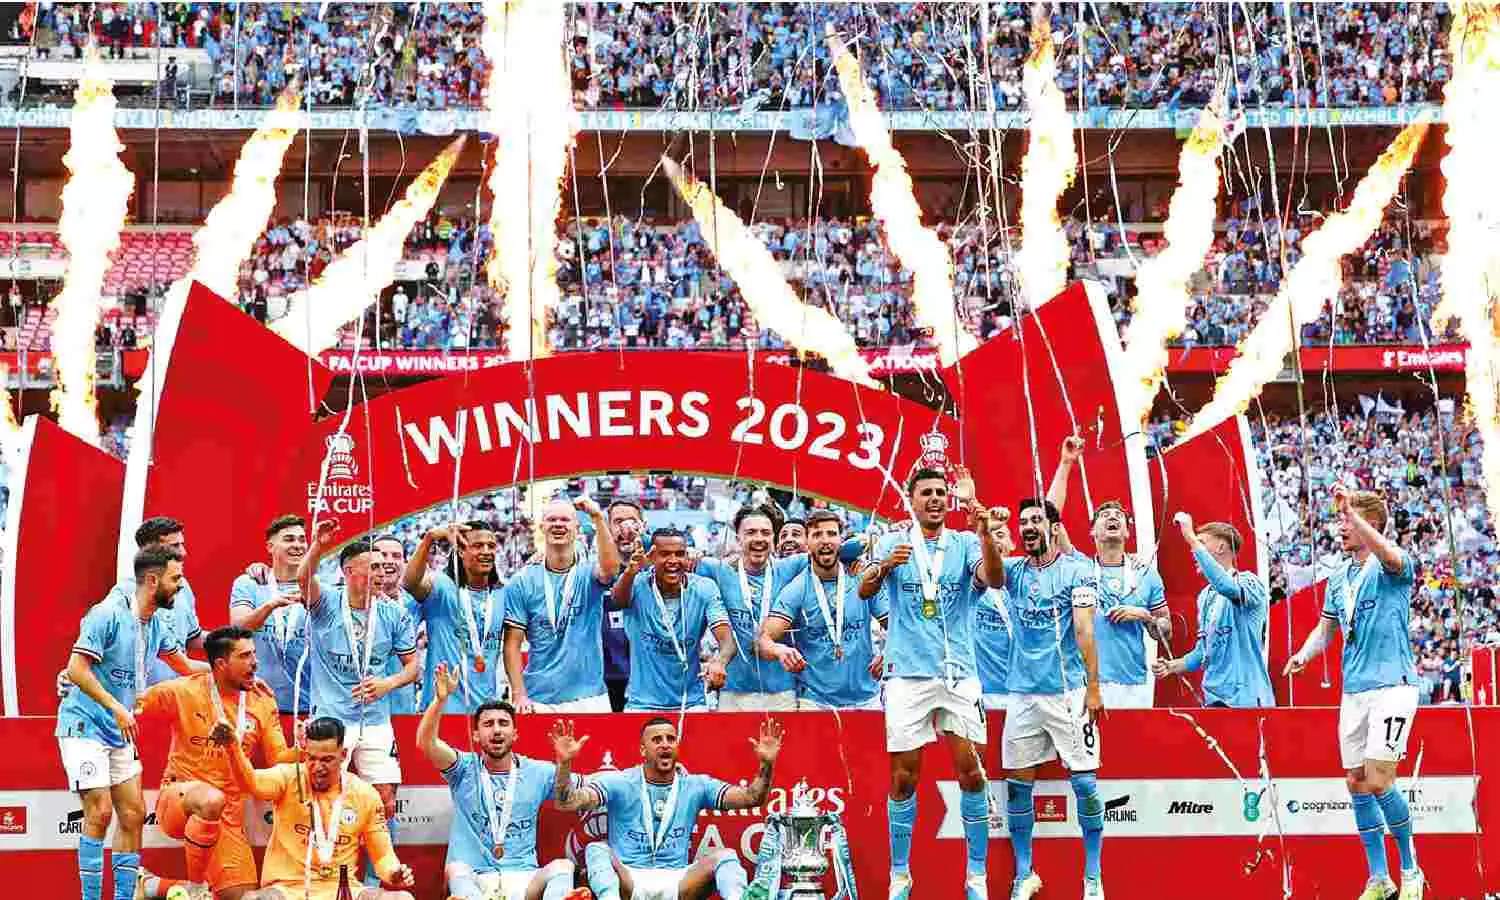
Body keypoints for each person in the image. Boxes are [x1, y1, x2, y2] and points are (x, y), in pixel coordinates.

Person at [857, 466, 1005, 900]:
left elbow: (995, 579)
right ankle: (900, 876)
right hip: (906, 674)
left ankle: (976, 878)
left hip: (959, 675)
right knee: (904, 778)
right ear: (912, 499)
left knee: (972, 773)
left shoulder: (965, 543)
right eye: (926, 492)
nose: (935, 498)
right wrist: (885, 566)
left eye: (941, 492)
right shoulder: (893, 542)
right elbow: (864, 591)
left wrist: (985, 534)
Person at [1285, 486, 1424, 900]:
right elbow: (1326, 628)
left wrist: (1356, 514)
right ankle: (1379, 878)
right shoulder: (1338, 579)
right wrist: (1304, 654)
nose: (1341, 527)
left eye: (1347, 520)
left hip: (1393, 686)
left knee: (1380, 778)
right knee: (1357, 781)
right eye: (1341, 520)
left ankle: (1411, 869)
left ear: (1371, 524)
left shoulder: (1394, 565)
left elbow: (1390, 555)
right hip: (1354, 691)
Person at [56, 547, 201, 900]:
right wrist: (116, 707)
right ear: (152, 580)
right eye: (175, 578)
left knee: (134, 814)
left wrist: (230, 672)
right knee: (100, 811)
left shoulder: (157, 623)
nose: (181, 586)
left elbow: (184, 666)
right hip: (84, 725)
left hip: (118, 731)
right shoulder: (107, 614)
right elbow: (76, 669)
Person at [135, 626, 298, 900]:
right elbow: (129, 702)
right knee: (210, 799)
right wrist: (74, 683)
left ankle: (154, 886)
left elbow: (279, 759)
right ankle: (196, 887)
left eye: (254, 654)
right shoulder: (184, 690)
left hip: (229, 813)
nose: (255, 662)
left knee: (245, 898)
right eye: (245, 656)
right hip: (180, 798)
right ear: (221, 664)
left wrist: (303, 749)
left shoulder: (262, 701)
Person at [299, 528, 420, 888]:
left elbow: (413, 667)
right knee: (321, 797)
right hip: (330, 719)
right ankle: (321, 878)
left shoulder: (394, 613)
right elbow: (304, 578)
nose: (382, 573)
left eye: (384, 567)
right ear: (349, 571)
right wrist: (318, 546)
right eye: (373, 567)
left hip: (376, 721)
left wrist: (387, 684)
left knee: (384, 801)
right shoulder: (326, 604)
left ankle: (377, 883)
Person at [550, 716, 783, 900]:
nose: (665, 744)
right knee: (596, 849)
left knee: (726, 856)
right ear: (643, 750)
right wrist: (565, 764)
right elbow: (566, 802)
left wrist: (767, 764)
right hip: (628, 877)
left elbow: (752, 797)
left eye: (671, 739)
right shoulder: (620, 781)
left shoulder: (696, 785)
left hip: (679, 881)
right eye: (657, 740)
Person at [999, 498, 1105, 900]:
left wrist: (1093, 688)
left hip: (1068, 694)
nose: (1028, 526)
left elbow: (1084, 630)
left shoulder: (1078, 570)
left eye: (1037, 520)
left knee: (1085, 784)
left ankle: (1092, 877)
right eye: (1023, 521)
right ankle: (1024, 874)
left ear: (1054, 527)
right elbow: (987, 568)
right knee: (1018, 787)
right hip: (1023, 695)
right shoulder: (1013, 571)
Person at [415, 664, 590, 900]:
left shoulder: (538, 772)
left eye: (503, 723)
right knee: (457, 869)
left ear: (515, 734)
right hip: (475, 879)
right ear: (476, 735)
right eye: (488, 724)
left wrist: (565, 764)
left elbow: (569, 798)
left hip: (524, 878)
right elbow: (426, 743)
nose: (497, 730)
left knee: (563, 866)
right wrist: (440, 700)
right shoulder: (463, 768)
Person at [224, 716, 417, 900]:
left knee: (403, 898)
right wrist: (233, 748)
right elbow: (251, 783)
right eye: (311, 758)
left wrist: (394, 873)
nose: (317, 767)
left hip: (343, 889)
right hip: (288, 889)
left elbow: (382, 855)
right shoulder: (289, 778)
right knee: (253, 899)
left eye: (326, 760)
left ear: (343, 755)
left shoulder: (365, 795)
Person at [503, 496, 621, 712]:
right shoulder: (521, 581)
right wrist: (519, 695)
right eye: (552, 519)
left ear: (577, 527)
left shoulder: (589, 575)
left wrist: (597, 516)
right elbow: (512, 644)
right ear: (542, 527)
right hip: (539, 699)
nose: (558, 524)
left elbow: (611, 569)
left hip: (590, 698)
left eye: (565, 520)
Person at [758, 510, 881, 710]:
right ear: (807, 543)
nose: (825, 541)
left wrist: (889, 651)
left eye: (831, 534)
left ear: (841, 540)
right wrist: (779, 650)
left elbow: (895, 622)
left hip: (867, 699)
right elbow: (762, 640)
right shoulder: (797, 589)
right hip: (815, 702)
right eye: (817, 535)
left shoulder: (861, 577)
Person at [1152, 515, 1275, 708]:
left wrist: (1190, 537)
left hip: (1247, 700)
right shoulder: (1205, 596)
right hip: (1214, 700)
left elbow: (1226, 586)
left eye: (1201, 542)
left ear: (1221, 547)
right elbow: (1204, 651)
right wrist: (1172, 666)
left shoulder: (1250, 583)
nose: (1193, 551)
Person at [610, 528, 734, 712]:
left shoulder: (704, 588)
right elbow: (617, 600)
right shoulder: (636, 584)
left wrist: (720, 661)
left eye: (679, 554)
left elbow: (727, 639)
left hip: (692, 702)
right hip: (642, 703)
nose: (673, 560)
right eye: (665, 554)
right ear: (652, 557)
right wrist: (630, 572)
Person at [695, 506, 804, 711]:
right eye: (751, 532)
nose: (759, 538)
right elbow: (664, 553)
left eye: (765, 533)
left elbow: (835, 551)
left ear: (773, 538)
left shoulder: (790, 568)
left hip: (781, 690)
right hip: (733, 689)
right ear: (739, 539)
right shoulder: (716, 570)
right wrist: (692, 554)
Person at [1072, 502, 1170, 709]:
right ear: (1092, 531)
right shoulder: (1078, 571)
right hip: (1083, 681)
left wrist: (1145, 616)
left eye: (1118, 515)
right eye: (1105, 515)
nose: (1112, 517)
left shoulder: (1146, 574)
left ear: (1127, 532)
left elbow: (1165, 631)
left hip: (1132, 682)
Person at [404, 520, 507, 713]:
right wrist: (429, 539)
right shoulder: (441, 587)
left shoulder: (503, 594)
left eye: (491, 546)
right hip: (442, 711)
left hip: (486, 711)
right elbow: (410, 583)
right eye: (477, 545)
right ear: (460, 551)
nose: (486, 551)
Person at [229, 515, 311, 715]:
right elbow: (238, 629)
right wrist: (270, 606)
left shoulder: (318, 589)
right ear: (270, 547)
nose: (298, 545)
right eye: (289, 539)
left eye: (302, 539)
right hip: (257, 705)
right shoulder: (249, 584)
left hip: (309, 706)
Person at [115, 517, 205, 686]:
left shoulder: (183, 586)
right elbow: (101, 642)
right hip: (139, 696)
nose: (183, 552)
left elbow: (192, 639)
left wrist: (233, 644)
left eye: (182, 544)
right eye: (174, 546)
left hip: (175, 694)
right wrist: (75, 673)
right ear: (150, 551)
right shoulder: (124, 594)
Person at [371, 533, 423, 716]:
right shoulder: (351, 601)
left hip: (403, 706)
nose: (389, 561)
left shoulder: (415, 601)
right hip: (364, 706)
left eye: (396, 556)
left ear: (405, 563)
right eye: (382, 555)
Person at [604, 501, 645, 712]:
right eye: (618, 522)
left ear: (643, 526)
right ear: (607, 527)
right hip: (605, 678)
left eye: (632, 521)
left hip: (648, 678)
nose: (626, 529)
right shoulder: (595, 569)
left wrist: (694, 555)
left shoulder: (659, 568)